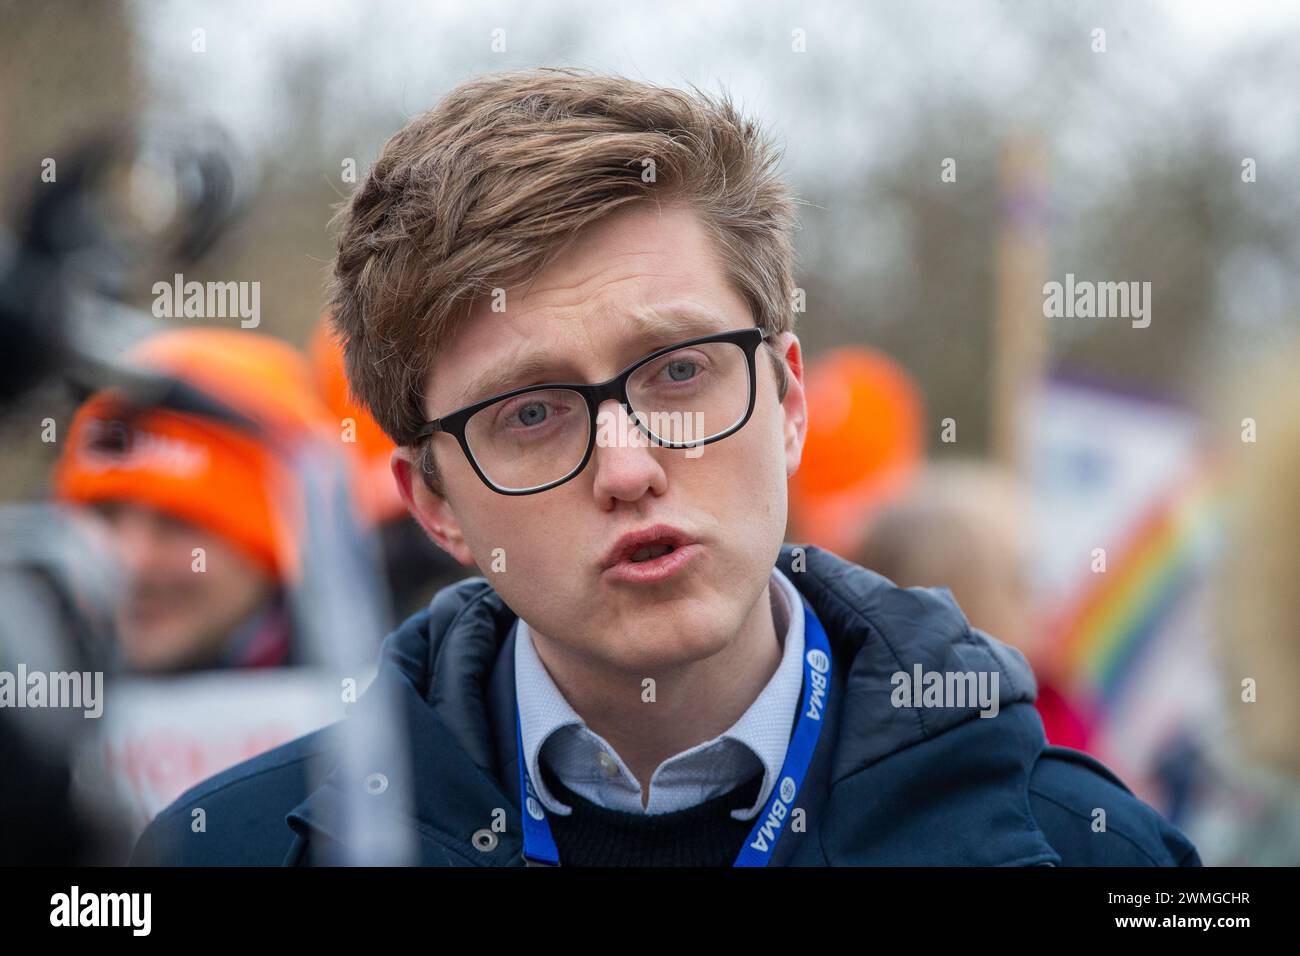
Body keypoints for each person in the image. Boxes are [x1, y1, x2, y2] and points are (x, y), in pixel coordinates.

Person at [130, 67, 1199, 866]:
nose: (628, 464)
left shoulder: (1090, 850)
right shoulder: (224, 849)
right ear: (437, 504)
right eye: (533, 411)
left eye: (679, 370)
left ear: (785, 403)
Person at [53, 328, 332, 673]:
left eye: (178, 522)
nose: (132, 563)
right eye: (106, 516)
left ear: (276, 546)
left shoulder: (387, 694)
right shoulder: (28, 692)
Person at [855, 461, 1095, 753]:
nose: (1045, 598)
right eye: (1020, 583)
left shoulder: (1055, 701)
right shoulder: (1001, 734)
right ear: (963, 616)